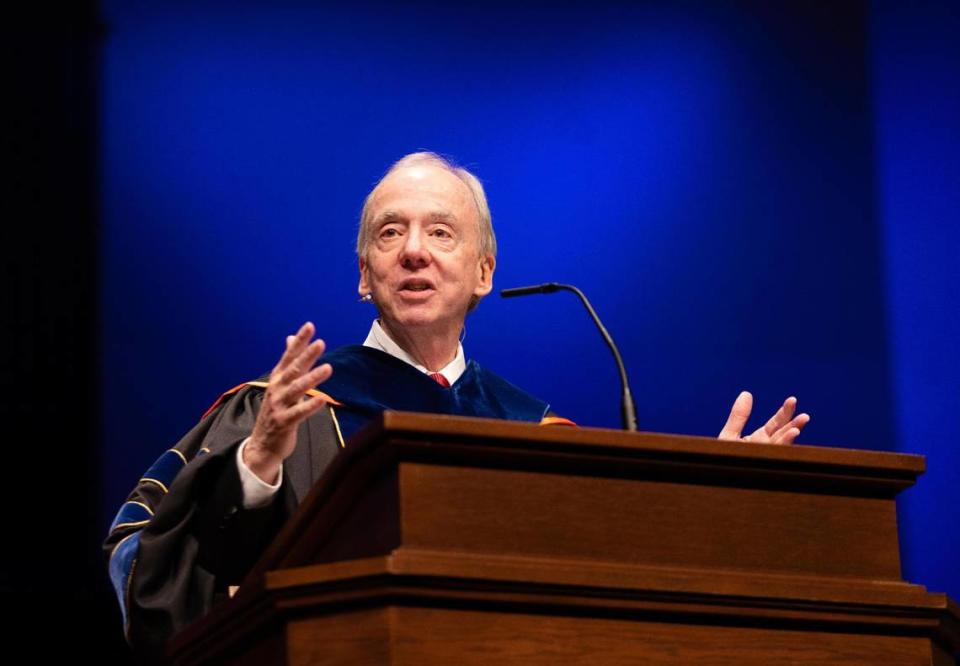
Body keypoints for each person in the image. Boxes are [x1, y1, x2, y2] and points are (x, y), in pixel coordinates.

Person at [104, 152, 809, 663]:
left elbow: (610, 588)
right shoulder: (285, 408)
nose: (414, 251)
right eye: (390, 233)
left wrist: (715, 499)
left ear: (484, 272)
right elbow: (153, 572)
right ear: (363, 277)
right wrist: (254, 467)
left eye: (441, 232)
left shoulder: (535, 431)